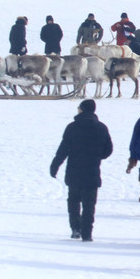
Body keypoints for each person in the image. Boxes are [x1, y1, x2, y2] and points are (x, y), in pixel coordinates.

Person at [49, 99, 114, 242]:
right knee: (89, 204)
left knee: (73, 201)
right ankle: (87, 233)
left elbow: (63, 150)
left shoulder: (72, 127)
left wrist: (55, 166)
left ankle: (75, 228)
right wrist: (97, 156)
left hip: (74, 171)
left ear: (82, 110)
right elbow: (108, 150)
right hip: (92, 172)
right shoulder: (102, 128)